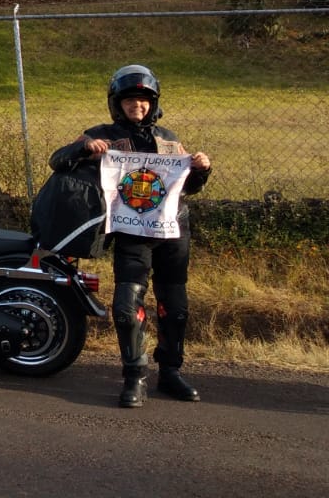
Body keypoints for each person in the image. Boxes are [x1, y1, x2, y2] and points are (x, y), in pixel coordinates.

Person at [48, 64, 212, 408]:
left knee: (176, 309)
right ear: (116, 103)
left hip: (173, 232)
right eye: (130, 101)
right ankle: (134, 375)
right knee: (126, 308)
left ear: (153, 103)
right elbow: (57, 161)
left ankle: (170, 373)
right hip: (131, 233)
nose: (137, 106)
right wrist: (84, 149)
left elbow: (188, 188)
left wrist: (202, 169)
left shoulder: (169, 138)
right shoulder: (100, 134)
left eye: (143, 101)